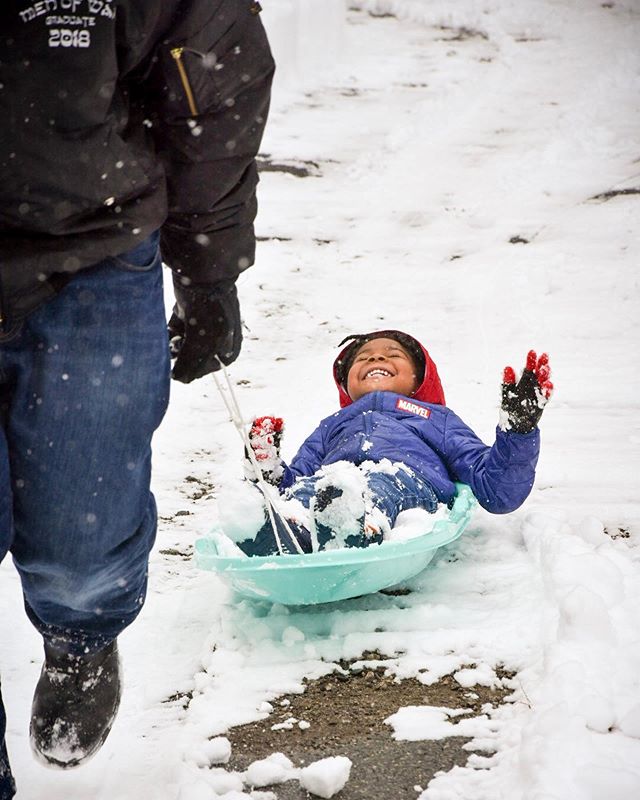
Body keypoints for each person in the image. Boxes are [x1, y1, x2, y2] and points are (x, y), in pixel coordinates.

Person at [0, 1, 274, 794]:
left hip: (92, 245)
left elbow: (211, 78)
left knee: (80, 531)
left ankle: (80, 634)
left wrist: (207, 268)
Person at [238, 330, 553, 556]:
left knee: (381, 486)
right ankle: (284, 531)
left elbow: (496, 489)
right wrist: (270, 471)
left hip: (407, 481)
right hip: (332, 482)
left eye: (393, 355)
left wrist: (518, 431)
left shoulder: (436, 418)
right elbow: (297, 482)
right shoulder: (331, 425)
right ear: (346, 382)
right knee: (310, 492)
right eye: (363, 357)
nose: (376, 356)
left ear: (419, 379)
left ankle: (359, 526)